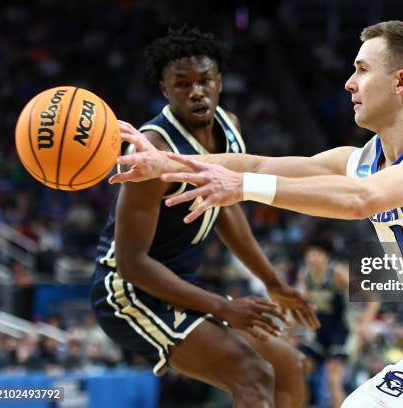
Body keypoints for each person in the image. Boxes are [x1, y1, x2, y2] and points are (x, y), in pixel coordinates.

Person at [111, 20, 403, 408]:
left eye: (361, 69)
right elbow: (254, 162)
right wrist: (166, 162)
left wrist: (245, 189)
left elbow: (364, 200)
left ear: (400, 81)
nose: (348, 82)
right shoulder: (357, 159)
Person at [91, 26, 319, 408]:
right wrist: (223, 306)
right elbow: (132, 264)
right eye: (182, 84)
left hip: (182, 282)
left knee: (290, 365)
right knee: (253, 375)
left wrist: (273, 282)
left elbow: (225, 206)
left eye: (204, 80)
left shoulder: (229, 126)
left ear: (220, 81)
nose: (196, 91)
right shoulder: (156, 151)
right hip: (131, 293)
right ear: (165, 89)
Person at [297, 238, 349, 408]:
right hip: (320, 328)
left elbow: (373, 297)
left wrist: (364, 322)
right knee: (301, 369)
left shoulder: (338, 272)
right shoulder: (305, 274)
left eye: (316, 254)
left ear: (326, 256)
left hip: (341, 329)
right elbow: (304, 303)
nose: (311, 258)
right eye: (309, 254)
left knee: (333, 379)